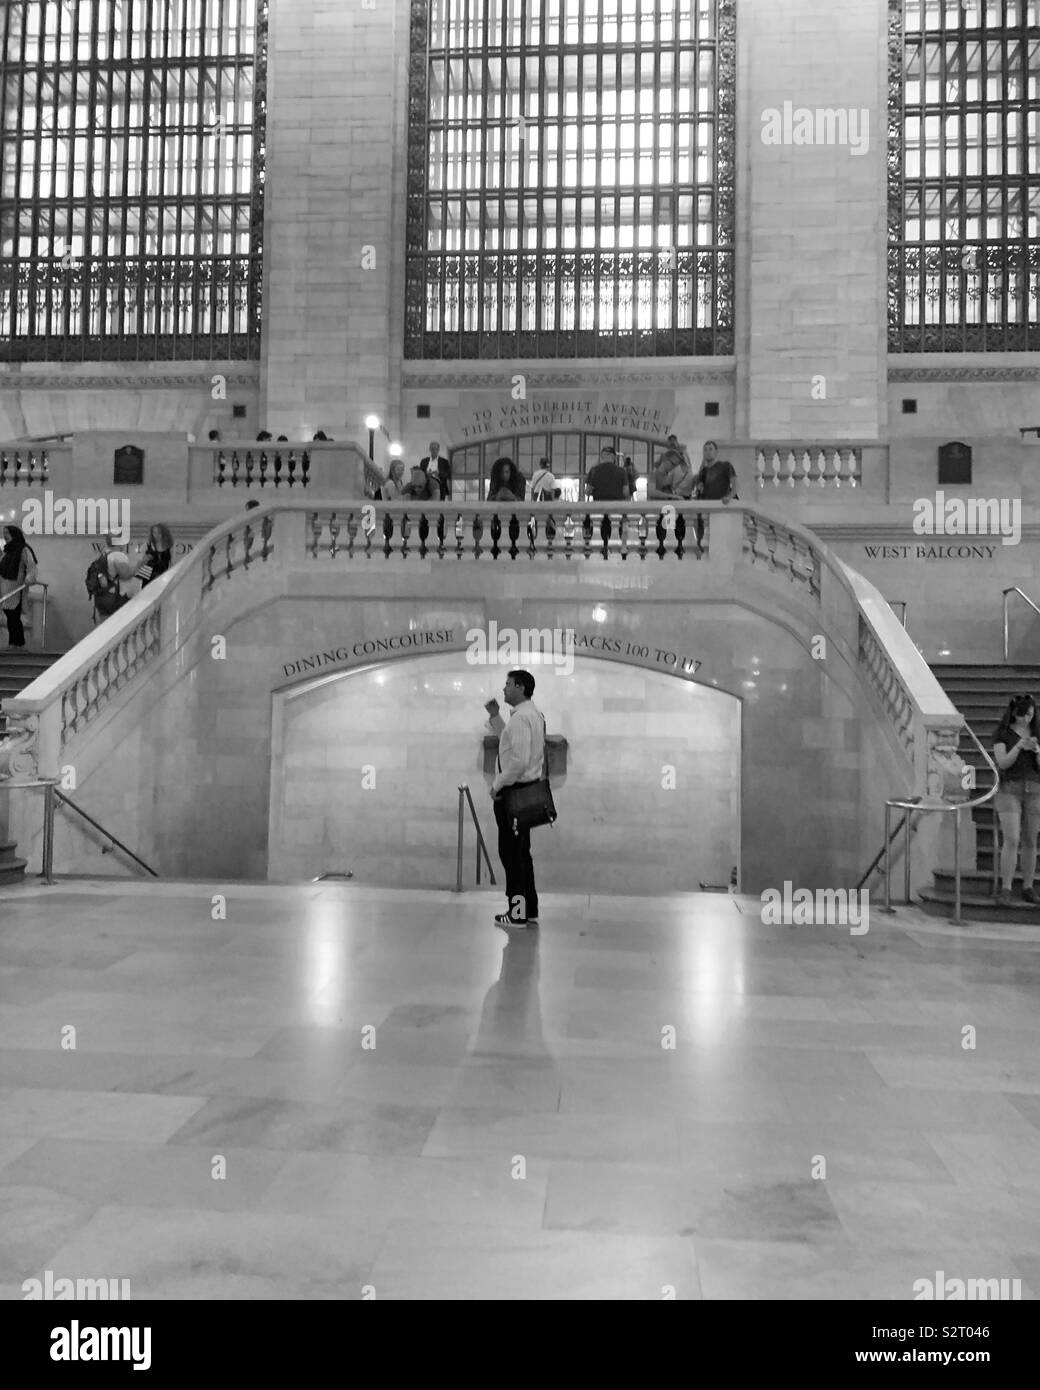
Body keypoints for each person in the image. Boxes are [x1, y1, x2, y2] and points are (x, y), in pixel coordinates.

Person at [490, 669, 544, 927]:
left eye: (508, 684)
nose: (504, 689)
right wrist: (494, 718)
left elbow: (519, 761)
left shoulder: (522, 718)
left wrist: (498, 783)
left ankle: (518, 913)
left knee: (512, 855)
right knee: (521, 854)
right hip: (526, 793)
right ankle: (528, 909)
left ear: (520, 687)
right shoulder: (533, 715)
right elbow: (513, 746)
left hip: (514, 795)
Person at [993, 694, 1040, 906]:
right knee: (1012, 838)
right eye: (1023, 715)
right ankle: (1006, 887)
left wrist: (1037, 751)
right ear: (1014, 713)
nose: (1026, 720)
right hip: (1009, 788)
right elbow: (1002, 763)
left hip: (1034, 789)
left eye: (1030, 715)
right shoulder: (1002, 733)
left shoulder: (1037, 732)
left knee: (1031, 839)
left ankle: (1028, 886)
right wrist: (1019, 746)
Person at [693, 440, 738, 549]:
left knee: (722, 541)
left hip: (721, 508)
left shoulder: (725, 466)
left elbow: (735, 483)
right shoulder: (703, 471)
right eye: (705, 450)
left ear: (716, 451)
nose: (708, 452)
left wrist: (729, 496)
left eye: (710, 449)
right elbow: (699, 488)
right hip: (706, 510)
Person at [0, 525, 38, 650]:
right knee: (10, 615)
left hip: (17, 589)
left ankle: (18, 643)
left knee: (14, 616)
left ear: (14, 534)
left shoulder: (23, 549)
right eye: (4, 532)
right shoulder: (7, 551)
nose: (5, 535)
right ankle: (14, 643)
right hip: (6, 589)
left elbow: (31, 567)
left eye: (7, 532)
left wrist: (29, 578)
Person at [137, 524, 174, 588]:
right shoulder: (147, 546)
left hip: (163, 579)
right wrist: (145, 559)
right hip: (149, 579)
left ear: (164, 533)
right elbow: (139, 561)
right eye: (154, 532)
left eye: (159, 533)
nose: (156, 535)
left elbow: (172, 565)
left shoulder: (169, 548)